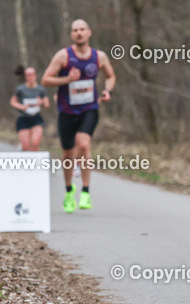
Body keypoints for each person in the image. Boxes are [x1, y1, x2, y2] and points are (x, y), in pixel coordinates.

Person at [41, 19, 116, 213]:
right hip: (67, 112)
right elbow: (46, 80)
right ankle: (68, 191)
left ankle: (85, 190)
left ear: (89, 32)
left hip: (89, 108)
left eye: (82, 29)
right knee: (67, 154)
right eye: (75, 30)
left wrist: (108, 91)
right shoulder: (63, 56)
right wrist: (67, 79)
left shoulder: (99, 57)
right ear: (72, 34)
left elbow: (110, 76)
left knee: (83, 144)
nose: (79, 33)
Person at [10, 66, 49, 151]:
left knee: (35, 142)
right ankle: (25, 153)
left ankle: (36, 163)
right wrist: (21, 107)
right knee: (26, 146)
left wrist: (41, 102)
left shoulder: (41, 89)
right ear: (25, 77)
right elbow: (12, 102)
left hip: (36, 118)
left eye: (32, 75)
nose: (30, 77)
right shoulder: (20, 89)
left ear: (36, 76)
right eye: (28, 75)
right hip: (23, 118)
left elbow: (47, 104)